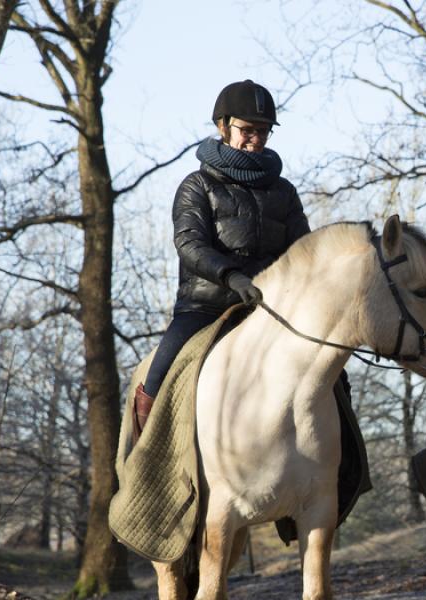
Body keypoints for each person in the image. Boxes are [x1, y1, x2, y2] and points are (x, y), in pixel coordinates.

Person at [132, 80, 310, 435]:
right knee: (159, 373)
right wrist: (232, 276)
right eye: (247, 130)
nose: (256, 139)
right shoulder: (196, 186)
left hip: (270, 307)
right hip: (205, 306)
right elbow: (190, 243)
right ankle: (142, 456)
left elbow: (302, 250)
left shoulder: (284, 192)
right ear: (223, 126)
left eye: (263, 131)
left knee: (334, 377)